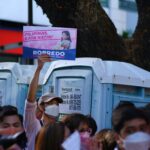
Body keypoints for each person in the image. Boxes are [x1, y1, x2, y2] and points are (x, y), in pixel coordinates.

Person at [23, 54, 63, 150]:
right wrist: (38, 69)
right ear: (41, 106)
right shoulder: (33, 125)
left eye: (57, 104)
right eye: (50, 103)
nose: (55, 106)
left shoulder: (60, 129)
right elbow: (30, 100)